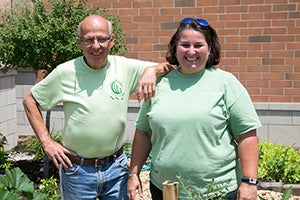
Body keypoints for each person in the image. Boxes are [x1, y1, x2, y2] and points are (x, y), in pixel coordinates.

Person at [23, 15, 173, 200]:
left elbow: (173, 66)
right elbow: (30, 100)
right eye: (89, 40)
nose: (96, 46)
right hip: (77, 170)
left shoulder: (124, 67)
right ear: (80, 42)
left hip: (116, 168)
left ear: (112, 40)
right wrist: (47, 142)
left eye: (102, 39)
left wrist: (152, 70)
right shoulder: (65, 72)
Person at [127, 18, 261, 200]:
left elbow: (246, 135)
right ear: (175, 48)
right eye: (184, 45)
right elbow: (143, 132)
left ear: (210, 48)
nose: (191, 51)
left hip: (217, 191)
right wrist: (134, 173)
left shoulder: (226, 83)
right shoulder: (158, 84)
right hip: (164, 189)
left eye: (198, 45)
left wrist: (249, 182)